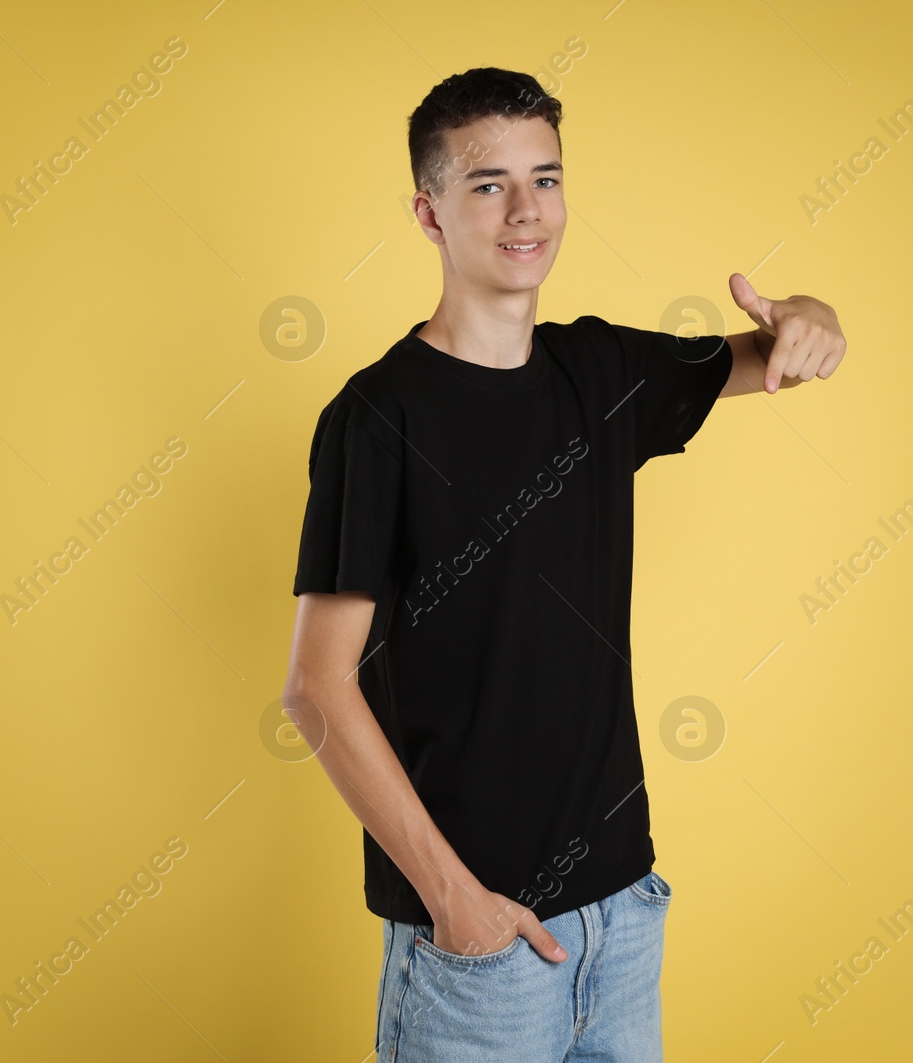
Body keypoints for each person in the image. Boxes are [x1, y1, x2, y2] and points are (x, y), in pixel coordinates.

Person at [283, 67, 846, 1062]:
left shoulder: (601, 373)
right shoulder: (377, 418)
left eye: (544, 178)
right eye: (488, 183)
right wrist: (456, 904)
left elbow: (772, 352)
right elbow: (317, 686)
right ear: (428, 212)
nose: (524, 209)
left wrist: (813, 313)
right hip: (476, 947)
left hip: (623, 915)